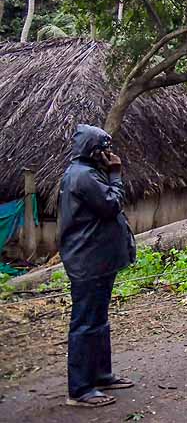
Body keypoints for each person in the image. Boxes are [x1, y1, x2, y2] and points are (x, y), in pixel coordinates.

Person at [58, 124, 137, 408]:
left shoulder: (87, 173)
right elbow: (111, 205)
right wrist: (116, 174)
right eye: (105, 148)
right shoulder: (84, 176)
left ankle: (101, 375)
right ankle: (80, 389)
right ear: (95, 151)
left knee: (98, 321)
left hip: (97, 259)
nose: (110, 154)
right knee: (86, 324)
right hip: (88, 261)